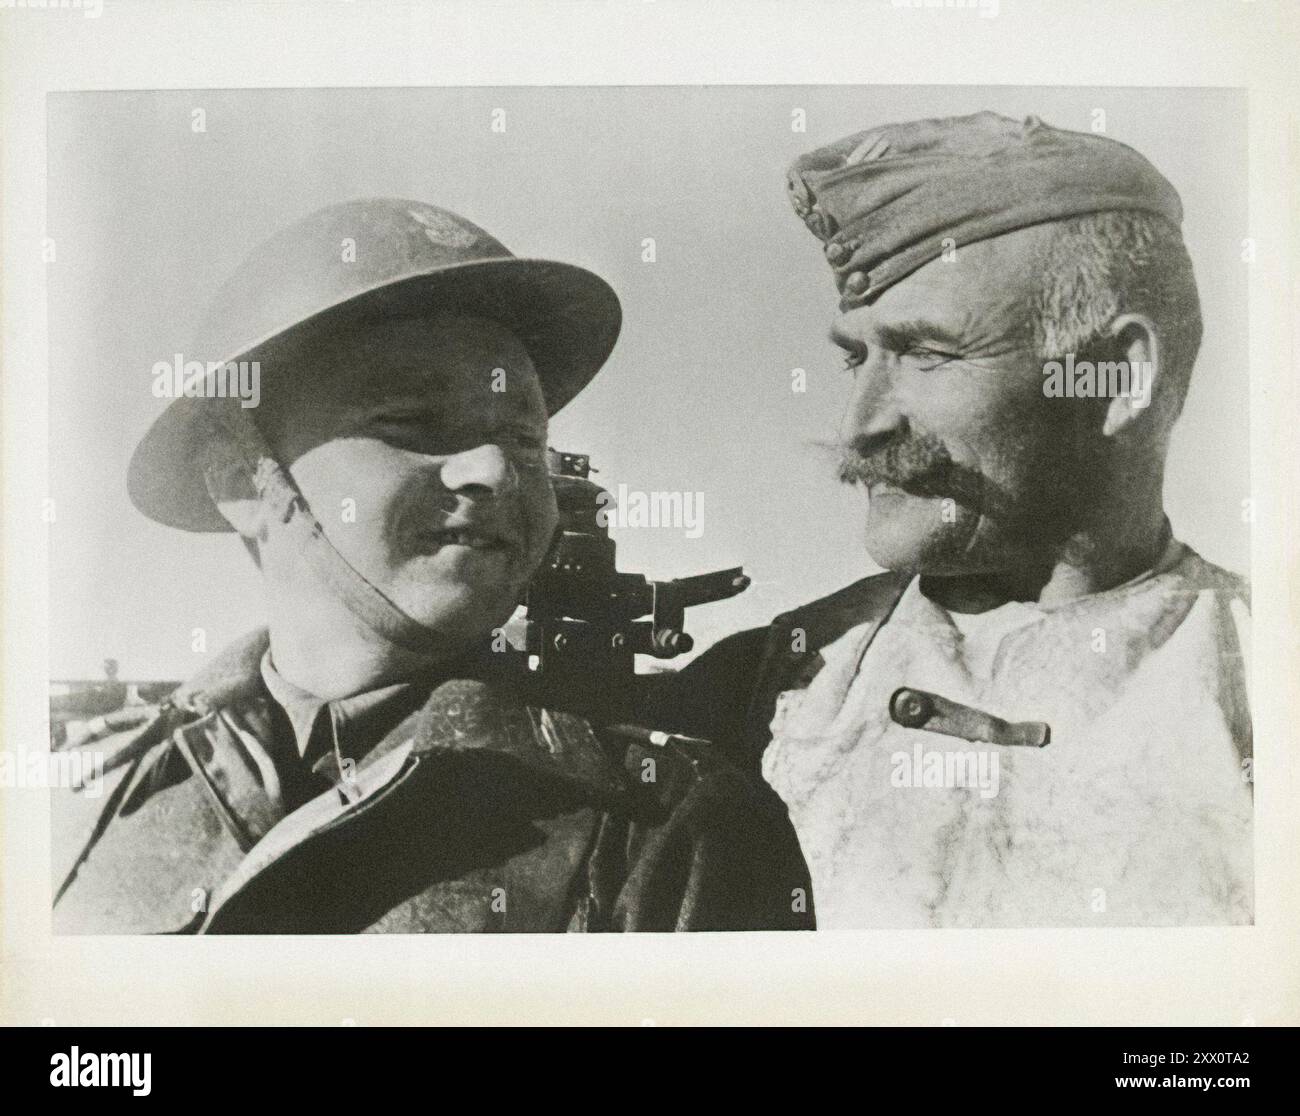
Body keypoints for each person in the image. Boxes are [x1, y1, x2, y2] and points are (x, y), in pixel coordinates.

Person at [53, 198, 811, 934]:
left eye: (523, 439)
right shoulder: (100, 796)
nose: (493, 469)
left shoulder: (666, 828)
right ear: (242, 484)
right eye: (413, 425)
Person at [651, 113, 1252, 928]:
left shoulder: (1261, 681)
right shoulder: (758, 693)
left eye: (927, 353)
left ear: (1115, 377)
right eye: (854, 357)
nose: (860, 425)